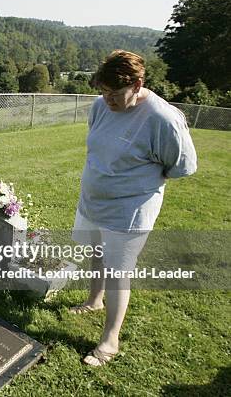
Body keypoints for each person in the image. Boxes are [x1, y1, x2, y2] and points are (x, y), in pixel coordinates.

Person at [71, 50, 197, 366]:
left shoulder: (162, 118)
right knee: (97, 253)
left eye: (115, 93)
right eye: (103, 91)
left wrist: (137, 183)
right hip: (94, 201)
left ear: (138, 84)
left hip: (129, 211)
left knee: (118, 271)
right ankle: (93, 301)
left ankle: (110, 341)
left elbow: (183, 165)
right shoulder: (101, 107)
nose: (107, 99)